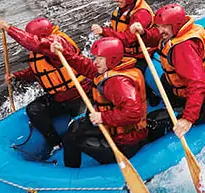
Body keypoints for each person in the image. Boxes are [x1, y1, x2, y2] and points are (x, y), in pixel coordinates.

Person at [48, 35, 148, 168]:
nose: (95, 62)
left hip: (126, 142)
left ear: (111, 59)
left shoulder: (117, 82)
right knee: (74, 130)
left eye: (100, 58)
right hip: (119, 132)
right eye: (96, 57)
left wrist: (102, 116)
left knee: (71, 140)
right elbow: (86, 66)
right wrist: (64, 53)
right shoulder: (113, 68)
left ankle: (71, 177)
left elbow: (134, 113)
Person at [0, 17, 90, 152]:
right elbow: (38, 71)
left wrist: (9, 29)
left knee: (76, 131)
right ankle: (55, 143)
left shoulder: (57, 45)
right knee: (34, 110)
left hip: (80, 95)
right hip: (59, 98)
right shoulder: (40, 51)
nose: (30, 38)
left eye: (32, 36)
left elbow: (34, 44)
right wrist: (16, 77)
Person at [153, 4, 205, 138]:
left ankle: (180, 112)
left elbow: (197, 85)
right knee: (165, 79)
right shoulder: (186, 30)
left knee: (155, 123)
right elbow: (156, 36)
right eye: (158, 26)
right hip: (199, 92)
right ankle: (177, 107)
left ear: (175, 25)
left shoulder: (183, 47)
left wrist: (188, 118)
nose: (160, 31)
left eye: (164, 26)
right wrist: (142, 33)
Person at [92, 0, 159, 69]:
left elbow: (129, 39)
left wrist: (104, 31)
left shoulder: (141, 14)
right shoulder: (125, 7)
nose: (116, 0)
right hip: (124, 53)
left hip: (139, 56)